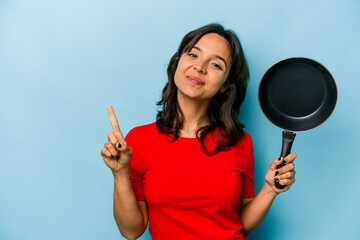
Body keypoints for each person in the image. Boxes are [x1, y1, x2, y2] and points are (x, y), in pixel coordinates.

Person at [100, 23, 296, 240]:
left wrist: (270, 190)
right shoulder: (138, 140)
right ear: (176, 63)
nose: (200, 67)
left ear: (224, 85)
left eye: (216, 65)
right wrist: (119, 173)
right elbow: (131, 231)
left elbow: (240, 223)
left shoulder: (240, 142)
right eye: (193, 55)